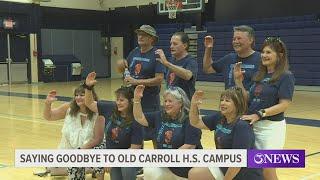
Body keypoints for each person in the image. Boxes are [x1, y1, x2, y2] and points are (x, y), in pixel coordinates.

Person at [233, 37, 295, 180]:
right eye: (263, 52)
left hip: (271, 129)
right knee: (255, 169)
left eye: (268, 52)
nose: (263, 55)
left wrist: (260, 114)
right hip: (254, 126)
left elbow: (284, 104)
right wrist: (238, 81)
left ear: (280, 55)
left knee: (268, 169)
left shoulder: (286, 76)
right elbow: (248, 98)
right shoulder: (259, 75)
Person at [188, 88, 263, 180]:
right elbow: (195, 122)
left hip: (243, 173)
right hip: (224, 165)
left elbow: (238, 162)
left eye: (227, 101)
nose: (222, 103)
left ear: (237, 104)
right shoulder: (220, 117)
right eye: (221, 100)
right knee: (194, 174)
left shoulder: (242, 126)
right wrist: (194, 104)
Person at [133, 85, 202, 180]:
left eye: (170, 101)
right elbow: (139, 117)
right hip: (166, 165)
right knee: (148, 171)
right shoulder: (161, 115)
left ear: (180, 103)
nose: (166, 104)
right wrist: (137, 100)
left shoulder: (191, 119)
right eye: (165, 101)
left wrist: (165, 158)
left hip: (186, 167)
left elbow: (189, 146)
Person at [84, 72, 143, 180]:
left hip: (130, 158)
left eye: (122, 100)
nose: (118, 103)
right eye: (117, 100)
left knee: (126, 167)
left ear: (130, 102)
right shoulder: (110, 108)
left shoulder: (137, 118)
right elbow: (89, 103)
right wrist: (88, 87)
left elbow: (135, 148)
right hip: (114, 156)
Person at [43, 85, 105, 180]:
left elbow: (97, 139)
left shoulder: (98, 112)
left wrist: (81, 151)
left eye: (82, 95)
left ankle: (92, 168)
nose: (78, 97)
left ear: (90, 96)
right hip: (69, 151)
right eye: (76, 95)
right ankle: (89, 169)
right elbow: (49, 116)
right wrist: (47, 104)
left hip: (89, 150)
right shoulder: (69, 108)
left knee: (95, 156)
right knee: (52, 169)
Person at [202, 25, 260, 90]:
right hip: (228, 99)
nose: (236, 42)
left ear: (250, 40)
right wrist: (208, 48)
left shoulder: (260, 59)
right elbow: (207, 69)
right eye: (234, 39)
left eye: (239, 38)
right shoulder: (229, 58)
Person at [155, 32, 198, 100]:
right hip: (172, 102)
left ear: (185, 45)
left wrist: (167, 63)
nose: (171, 46)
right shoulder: (171, 60)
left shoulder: (191, 61)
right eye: (171, 44)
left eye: (175, 44)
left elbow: (188, 75)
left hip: (185, 104)